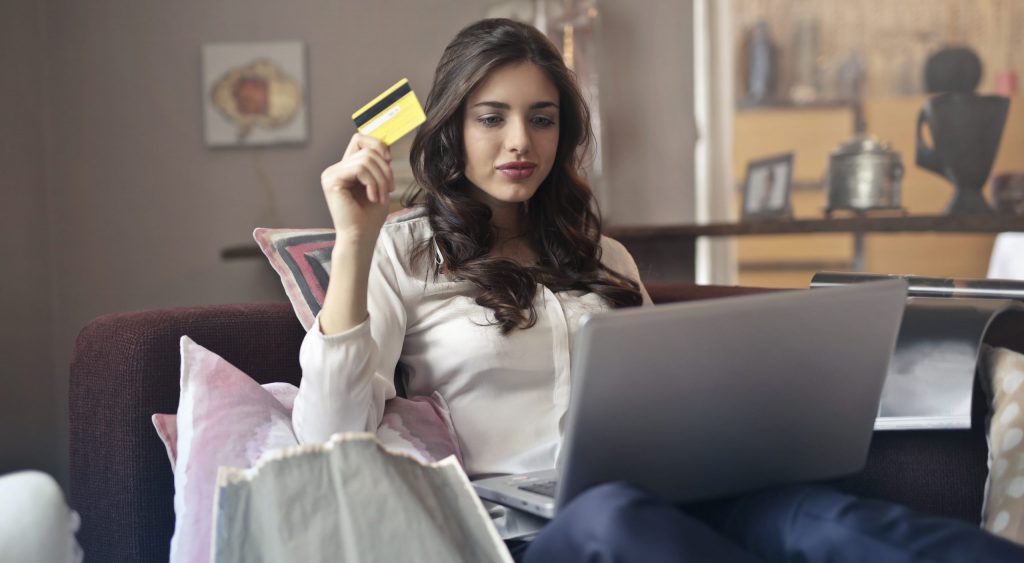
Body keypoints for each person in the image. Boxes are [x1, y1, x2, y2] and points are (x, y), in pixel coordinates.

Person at [294, 18, 1024, 562]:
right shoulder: (404, 251)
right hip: (535, 533)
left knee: (825, 519)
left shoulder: (600, 254)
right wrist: (354, 243)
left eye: (542, 119)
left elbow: (666, 400)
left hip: (675, 495)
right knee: (615, 519)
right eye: (493, 117)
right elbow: (327, 437)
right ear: (452, 127)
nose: (521, 141)